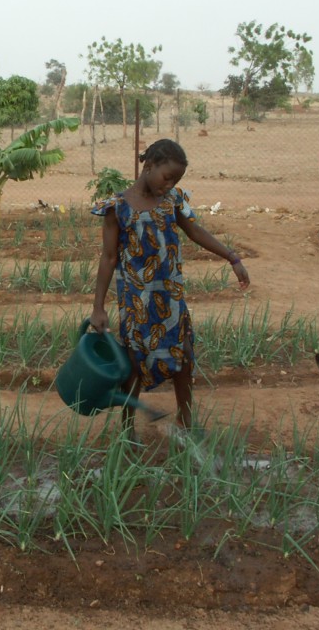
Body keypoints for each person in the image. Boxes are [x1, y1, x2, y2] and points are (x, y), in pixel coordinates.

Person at [89, 138, 250, 439]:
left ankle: (185, 420)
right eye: (167, 177)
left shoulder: (172, 201)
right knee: (134, 363)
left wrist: (232, 257)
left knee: (184, 356)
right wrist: (98, 307)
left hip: (171, 298)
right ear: (149, 166)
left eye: (176, 180)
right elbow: (109, 258)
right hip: (136, 301)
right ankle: (127, 428)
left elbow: (195, 231)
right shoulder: (118, 208)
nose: (170, 184)